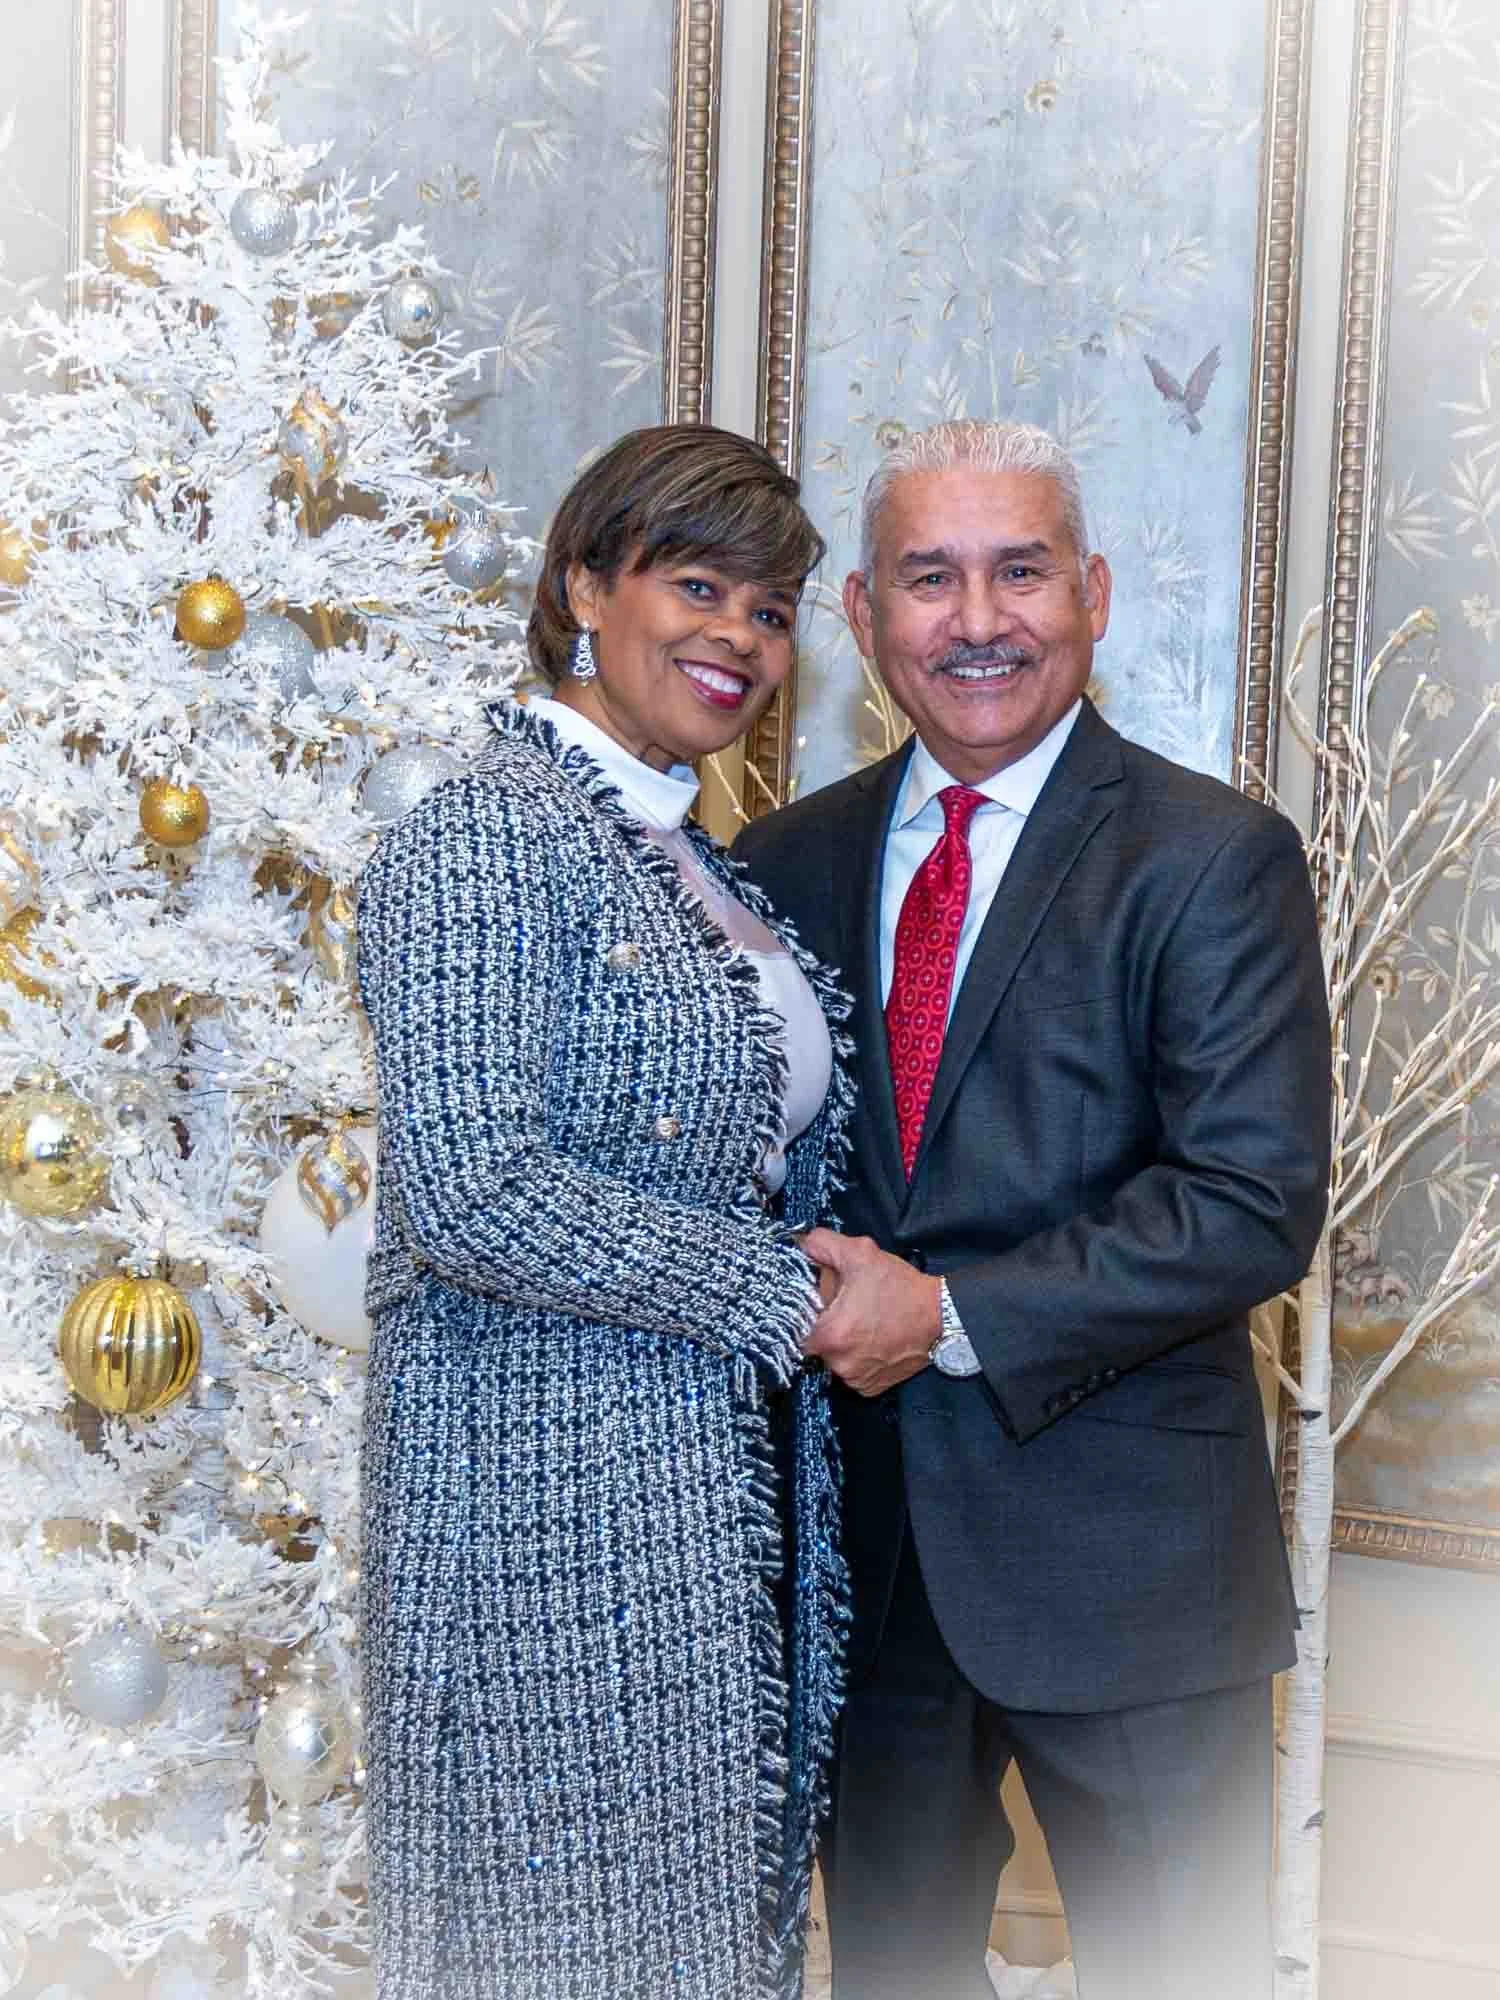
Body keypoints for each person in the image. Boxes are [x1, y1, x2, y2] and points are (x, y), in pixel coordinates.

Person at [733, 418, 1332, 2000]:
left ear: (1096, 595)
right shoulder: (777, 862)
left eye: (1021, 571)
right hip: (867, 1580)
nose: (978, 619)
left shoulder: (1214, 859)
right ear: (861, 617)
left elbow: (1249, 1200)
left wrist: (945, 1315)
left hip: (1131, 1576)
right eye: (931, 578)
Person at [355, 425, 853, 2000]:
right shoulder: (483, 835)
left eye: (770, 610)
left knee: (701, 1944)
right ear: (583, 584)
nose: (738, 638)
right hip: (535, 1500)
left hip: (712, 1493)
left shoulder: (694, 855)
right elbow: (469, 1189)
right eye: (696, 585)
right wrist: (785, 1294)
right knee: (568, 1950)